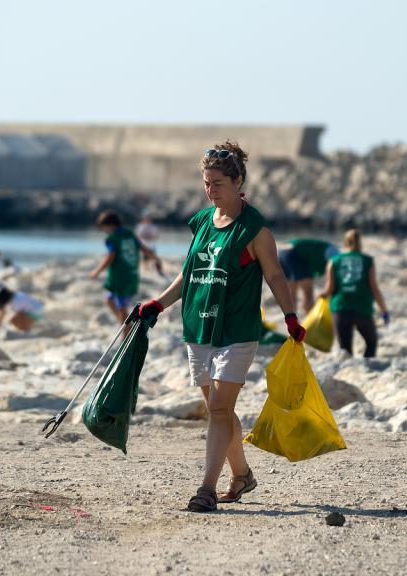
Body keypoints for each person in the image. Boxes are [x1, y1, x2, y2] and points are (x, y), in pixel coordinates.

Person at [134, 141, 304, 513]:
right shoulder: (201, 222)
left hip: (236, 330)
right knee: (216, 408)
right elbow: (189, 274)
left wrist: (290, 316)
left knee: (220, 411)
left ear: (238, 180)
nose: (210, 190)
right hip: (198, 326)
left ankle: (206, 489)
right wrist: (158, 304)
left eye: (218, 184)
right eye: (206, 183)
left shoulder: (254, 228)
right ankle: (242, 475)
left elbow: (274, 274)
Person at [319, 229, 389, 358]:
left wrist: (320, 297)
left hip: (340, 307)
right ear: (360, 242)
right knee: (371, 342)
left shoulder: (334, 261)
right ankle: (367, 366)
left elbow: (329, 289)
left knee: (345, 350)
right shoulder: (367, 260)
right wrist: (384, 311)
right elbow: (374, 289)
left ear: (345, 243)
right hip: (362, 307)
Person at [89, 211, 160, 325]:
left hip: (119, 276)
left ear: (111, 225)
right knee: (109, 299)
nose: (104, 231)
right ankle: (125, 323)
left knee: (122, 307)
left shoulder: (112, 238)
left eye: (104, 228)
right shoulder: (129, 233)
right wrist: (156, 258)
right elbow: (143, 248)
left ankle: (125, 332)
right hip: (131, 274)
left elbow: (111, 256)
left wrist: (97, 271)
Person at [278, 238, 339, 313]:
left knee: (291, 294)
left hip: (282, 253)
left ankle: (291, 321)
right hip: (295, 253)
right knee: (308, 293)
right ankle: (311, 319)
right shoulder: (334, 255)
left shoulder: (328, 249)